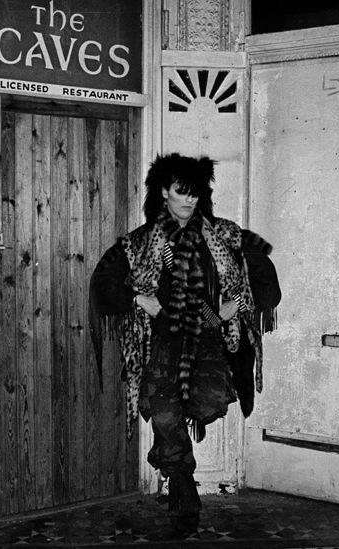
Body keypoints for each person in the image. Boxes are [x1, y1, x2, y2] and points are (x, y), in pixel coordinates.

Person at [90, 153, 281, 533]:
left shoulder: (223, 235)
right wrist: (136, 299)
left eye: (195, 193)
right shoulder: (141, 243)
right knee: (163, 409)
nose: (189, 201)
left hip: (209, 339)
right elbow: (103, 283)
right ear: (164, 192)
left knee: (209, 399)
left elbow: (263, 274)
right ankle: (180, 481)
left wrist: (237, 305)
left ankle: (171, 461)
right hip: (162, 342)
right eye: (181, 192)